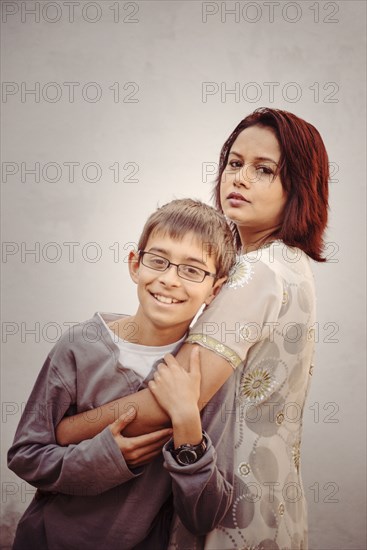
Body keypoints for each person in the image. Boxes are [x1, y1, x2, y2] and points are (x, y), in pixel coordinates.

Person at [54, 107, 330, 550]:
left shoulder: (256, 272)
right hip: (273, 501)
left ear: (297, 187)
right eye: (234, 163)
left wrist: (69, 431)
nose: (238, 178)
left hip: (226, 507)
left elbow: (175, 394)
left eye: (264, 170)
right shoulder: (291, 266)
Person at [7, 198, 238, 549]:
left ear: (215, 289)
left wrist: (189, 429)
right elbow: (26, 455)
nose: (169, 280)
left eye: (192, 270)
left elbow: (205, 515)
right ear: (135, 264)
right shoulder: (78, 347)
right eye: (158, 261)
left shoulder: (208, 375)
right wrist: (104, 459)